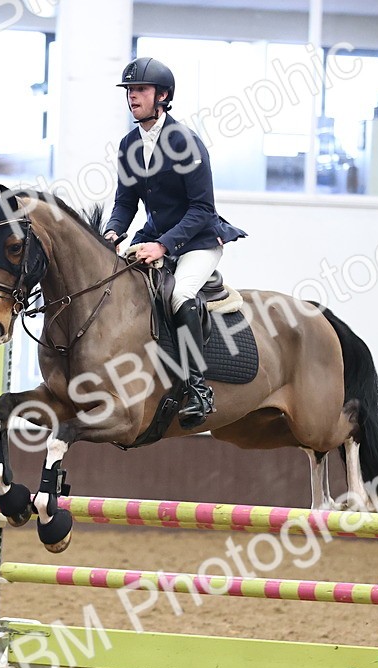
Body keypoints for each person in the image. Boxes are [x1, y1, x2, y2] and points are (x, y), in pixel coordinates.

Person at [103, 56, 246, 429]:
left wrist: (163, 246)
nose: (133, 97)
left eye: (141, 90)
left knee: (180, 294)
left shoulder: (186, 143)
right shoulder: (129, 144)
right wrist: (112, 232)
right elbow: (125, 202)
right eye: (130, 91)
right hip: (155, 236)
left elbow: (202, 209)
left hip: (198, 239)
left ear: (163, 96)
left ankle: (198, 388)